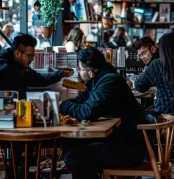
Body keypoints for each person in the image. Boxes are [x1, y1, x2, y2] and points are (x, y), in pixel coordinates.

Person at [60, 47, 146, 179]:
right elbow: (79, 101)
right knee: (71, 143)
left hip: (128, 147)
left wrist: (61, 105)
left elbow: (87, 112)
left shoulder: (110, 81)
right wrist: (61, 105)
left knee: (74, 158)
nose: (78, 71)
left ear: (90, 72)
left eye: (80, 69)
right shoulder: (98, 80)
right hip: (117, 138)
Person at [0, 33, 73, 99]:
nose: (32, 59)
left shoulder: (18, 64)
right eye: (29, 56)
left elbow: (38, 78)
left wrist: (61, 73)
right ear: (17, 53)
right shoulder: (8, 70)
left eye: (33, 56)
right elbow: (37, 79)